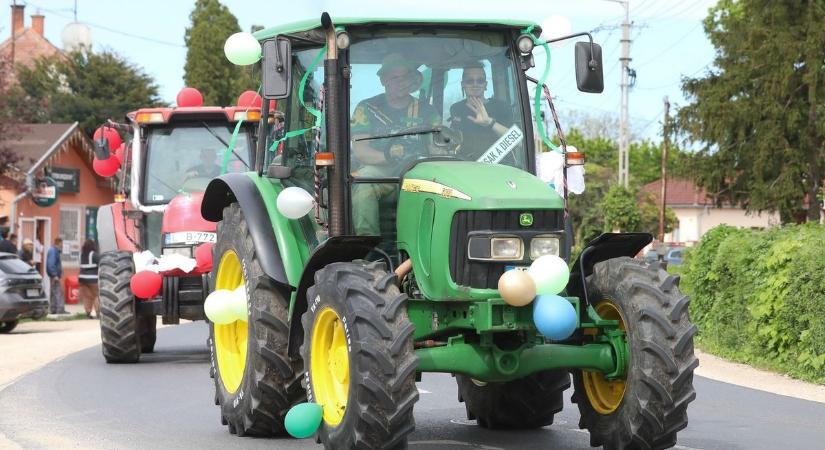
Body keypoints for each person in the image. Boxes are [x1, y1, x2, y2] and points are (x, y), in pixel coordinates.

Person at [350, 53, 442, 235]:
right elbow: (361, 151)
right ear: (384, 80)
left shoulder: (428, 110)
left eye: (405, 77)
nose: (402, 82)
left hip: (418, 171)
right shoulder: (366, 107)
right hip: (382, 171)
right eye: (395, 77)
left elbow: (436, 147)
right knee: (365, 181)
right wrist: (389, 156)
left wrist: (445, 147)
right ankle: (367, 246)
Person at [449, 61, 514, 161]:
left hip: (500, 168)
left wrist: (490, 123)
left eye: (480, 80)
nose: (475, 84)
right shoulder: (456, 108)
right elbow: (455, 139)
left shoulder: (502, 107)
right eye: (470, 81)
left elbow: (518, 141)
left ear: (485, 84)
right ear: (463, 84)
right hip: (465, 167)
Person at [78, 239, 100, 319]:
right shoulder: (93, 254)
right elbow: (101, 263)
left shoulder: (81, 255)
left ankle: (88, 313)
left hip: (82, 278)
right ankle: (98, 313)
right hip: (93, 279)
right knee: (96, 295)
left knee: (86, 296)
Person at [46, 238, 66, 315]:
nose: (63, 245)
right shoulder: (53, 251)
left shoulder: (54, 251)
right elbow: (51, 264)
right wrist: (54, 275)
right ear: (59, 243)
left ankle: (53, 309)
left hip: (54, 275)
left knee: (54, 292)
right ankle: (59, 309)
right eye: (62, 243)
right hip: (54, 276)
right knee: (58, 292)